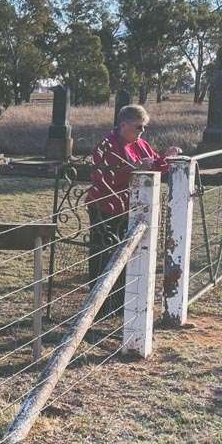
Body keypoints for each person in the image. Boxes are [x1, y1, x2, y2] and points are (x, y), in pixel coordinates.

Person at [85, 104, 182, 312]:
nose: (142, 131)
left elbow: (156, 164)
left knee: (126, 256)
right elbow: (107, 177)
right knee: (104, 256)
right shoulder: (107, 146)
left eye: (144, 127)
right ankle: (100, 305)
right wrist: (136, 169)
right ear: (123, 125)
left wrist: (168, 157)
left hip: (130, 208)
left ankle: (119, 303)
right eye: (138, 127)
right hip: (106, 207)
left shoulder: (141, 144)